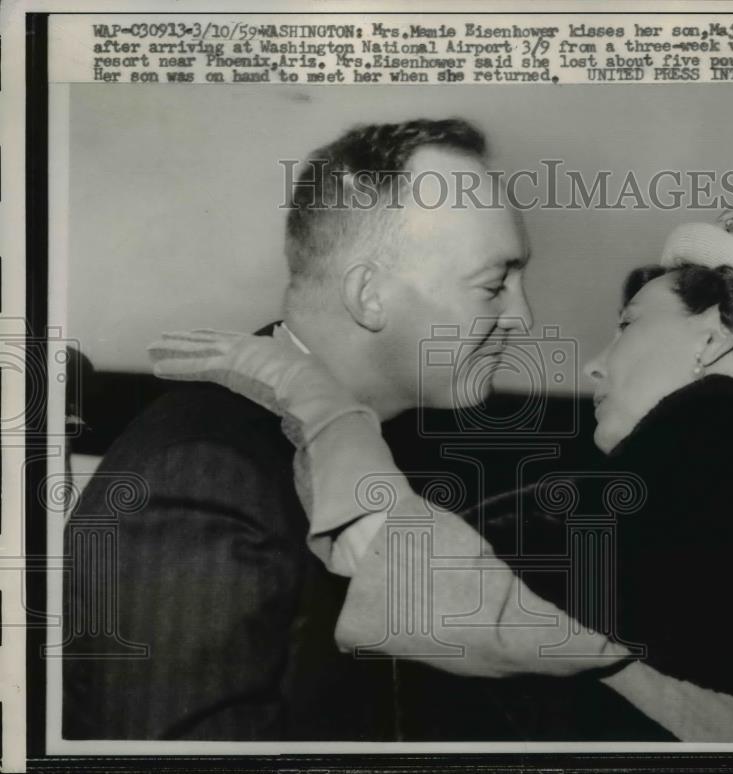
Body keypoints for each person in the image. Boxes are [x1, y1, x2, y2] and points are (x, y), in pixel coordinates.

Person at [150, 218, 733, 741]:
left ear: (713, 337)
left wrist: (306, 392)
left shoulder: (726, 449)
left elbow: (432, 593)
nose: (596, 362)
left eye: (630, 323)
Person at [61, 119, 625, 741]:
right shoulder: (207, 476)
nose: (524, 318)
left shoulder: (368, 448)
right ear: (369, 296)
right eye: (494, 286)